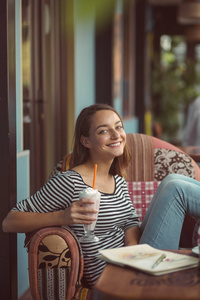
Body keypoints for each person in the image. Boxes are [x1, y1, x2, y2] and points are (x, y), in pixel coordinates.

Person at [2, 104, 200, 289]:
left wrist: (133, 251)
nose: (116, 135)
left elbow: (129, 222)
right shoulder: (70, 181)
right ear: (85, 141)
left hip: (131, 262)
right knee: (175, 189)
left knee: (172, 180)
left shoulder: (118, 180)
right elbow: (10, 221)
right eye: (103, 131)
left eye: (118, 127)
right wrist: (63, 216)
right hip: (111, 277)